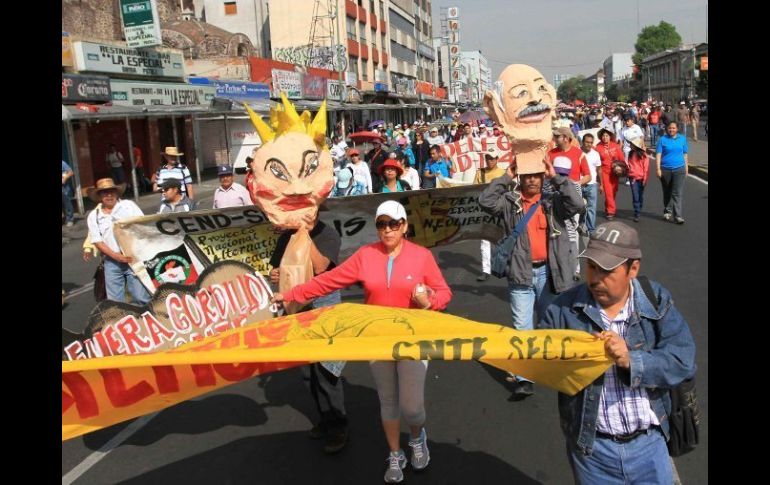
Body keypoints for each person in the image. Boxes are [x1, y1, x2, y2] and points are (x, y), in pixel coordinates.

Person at [271, 200, 452, 483]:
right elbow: (329, 280)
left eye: (394, 223)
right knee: (389, 402)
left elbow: (444, 293)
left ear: (404, 226)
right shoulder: (366, 255)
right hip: (375, 342)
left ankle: (417, 437)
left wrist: (430, 302)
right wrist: (293, 294)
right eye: (382, 224)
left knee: (412, 407)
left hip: (413, 341)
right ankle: (395, 454)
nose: (387, 229)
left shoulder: (421, 256)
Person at [539, 221, 695, 485]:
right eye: (591, 267)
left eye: (607, 270)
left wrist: (631, 361)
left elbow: (683, 361)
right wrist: (570, 352)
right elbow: (537, 355)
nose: (595, 279)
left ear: (633, 268)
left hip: (650, 446)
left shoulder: (655, 301)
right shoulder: (564, 308)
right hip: (592, 451)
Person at [478, 155, 583, 398]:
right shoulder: (509, 202)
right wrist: (506, 176)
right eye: (528, 176)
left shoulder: (552, 202)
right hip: (520, 273)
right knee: (522, 328)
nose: (533, 180)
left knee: (552, 324)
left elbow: (577, 204)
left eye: (537, 175)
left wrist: (555, 177)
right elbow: (485, 201)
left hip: (550, 273)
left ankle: (554, 368)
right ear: (521, 178)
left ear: (542, 176)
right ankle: (525, 378)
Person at [268, 208, 349, 455]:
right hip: (298, 309)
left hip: (323, 309)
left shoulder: (328, 234)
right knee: (308, 373)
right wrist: (274, 275)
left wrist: (305, 235)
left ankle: (338, 427)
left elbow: (322, 266)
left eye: (308, 212)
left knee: (326, 371)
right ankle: (324, 419)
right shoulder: (286, 238)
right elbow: (277, 271)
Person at [86, 178, 151, 305]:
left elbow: (143, 226)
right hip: (111, 261)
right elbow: (97, 241)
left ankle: (147, 321)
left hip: (134, 258)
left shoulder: (128, 206)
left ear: (116, 193)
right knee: (115, 302)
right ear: (99, 196)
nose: (109, 195)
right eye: (104, 193)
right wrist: (116, 256)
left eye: (111, 191)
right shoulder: (94, 215)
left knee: (141, 297)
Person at [473, 146, 507, 282]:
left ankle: (502, 265)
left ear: (497, 159)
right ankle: (485, 269)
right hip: (484, 210)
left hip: (499, 210)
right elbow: (474, 189)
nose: (490, 161)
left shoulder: (503, 173)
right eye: (488, 158)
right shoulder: (480, 173)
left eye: (492, 159)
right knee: (485, 240)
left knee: (503, 238)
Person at [656, 122, 689, 224]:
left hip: (679, 169)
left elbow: (685, 154)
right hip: (665, 169)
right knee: (667, 192)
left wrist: (686, 168)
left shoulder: (682, 139)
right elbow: (658, 155)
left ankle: (678, 216)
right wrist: (658, 169)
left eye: (673, 128)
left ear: (677, 129)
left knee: (677, 193)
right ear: (667, 129)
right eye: (670, 128)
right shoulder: (662, 139)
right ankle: (667, 211)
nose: (671, 130)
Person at [595, 128, 624, 221]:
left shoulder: (616, 146)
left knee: (614, 191)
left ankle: (608, 205)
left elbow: (621, 159)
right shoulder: (598, 147)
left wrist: (623, 168)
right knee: (608, 192)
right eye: (603, 136)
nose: (605, 137)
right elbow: (596, 162)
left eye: (607, 135)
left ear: (610, 136)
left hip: (615, 172)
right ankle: (611, 211)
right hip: (604, 172)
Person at [579, 133, 603, 234]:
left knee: (591, 208)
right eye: (587, 142)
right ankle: (580, 224)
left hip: (592, 184)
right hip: (579, 184)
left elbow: (599, 170)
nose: (589, 144)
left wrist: (601, 184)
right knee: (579, 207)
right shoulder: (577, 153)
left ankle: (591, 228)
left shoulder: (595, 154)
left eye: (591, 143)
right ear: (582, 142)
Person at [625, 137, 650, 222]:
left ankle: (639, 207)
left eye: (632, 144)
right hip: (633, 178)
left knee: (640, 196)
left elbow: (645, 168)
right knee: (635, 196)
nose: (630, 145)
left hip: (642, 178)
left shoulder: (643, 155)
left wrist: (645, 179)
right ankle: (637, 213)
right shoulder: (630, 154)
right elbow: (629, 164)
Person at [62, 160, 75, 227]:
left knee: (67, 203)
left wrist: (64, 179)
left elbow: (71, 172)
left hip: (64, 187)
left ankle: (70, 219)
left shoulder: (62, 163)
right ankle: (65, 218)